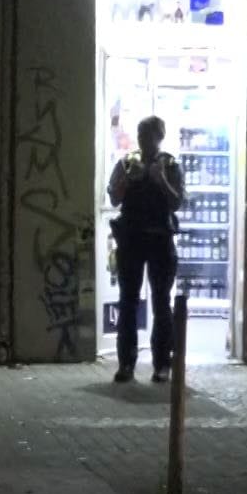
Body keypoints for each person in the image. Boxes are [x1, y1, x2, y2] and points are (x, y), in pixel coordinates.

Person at [106, 115, 186, 384]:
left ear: (159, 138)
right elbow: (115, 197)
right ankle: (126, 364)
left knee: (161, 303)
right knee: (128, 301)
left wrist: (160, 180)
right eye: (141, 136)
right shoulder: (128, 162)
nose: (145, 141)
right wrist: (128, 179)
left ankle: (162, 365)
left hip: (160, 240)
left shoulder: (170, 165)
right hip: (131, 240)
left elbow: (177, 203)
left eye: (149, 136)